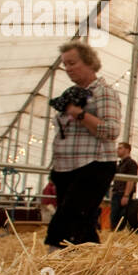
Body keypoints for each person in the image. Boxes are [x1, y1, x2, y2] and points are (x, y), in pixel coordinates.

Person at [45, 41, 121, 248]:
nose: (68, 69)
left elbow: (112, 131)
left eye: (72, 63)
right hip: (65, 168)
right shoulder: (70, 95)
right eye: (65, 65)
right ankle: (93, 269)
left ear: (89, 62)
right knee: (83, 223)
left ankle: (53, 262)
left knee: (66, 220)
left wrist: (78, 114)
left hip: (93, 165)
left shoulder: (104, 93)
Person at [110, 142, 138, 231]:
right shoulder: (120, 163)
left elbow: (131, 180)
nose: (117, 150)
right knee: (114, 217)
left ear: (127, 150)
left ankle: (119, 235)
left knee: (120, 217)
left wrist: (126, 195)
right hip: (117, 193)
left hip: (122, 194)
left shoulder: (131, 163)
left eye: (120, 148)